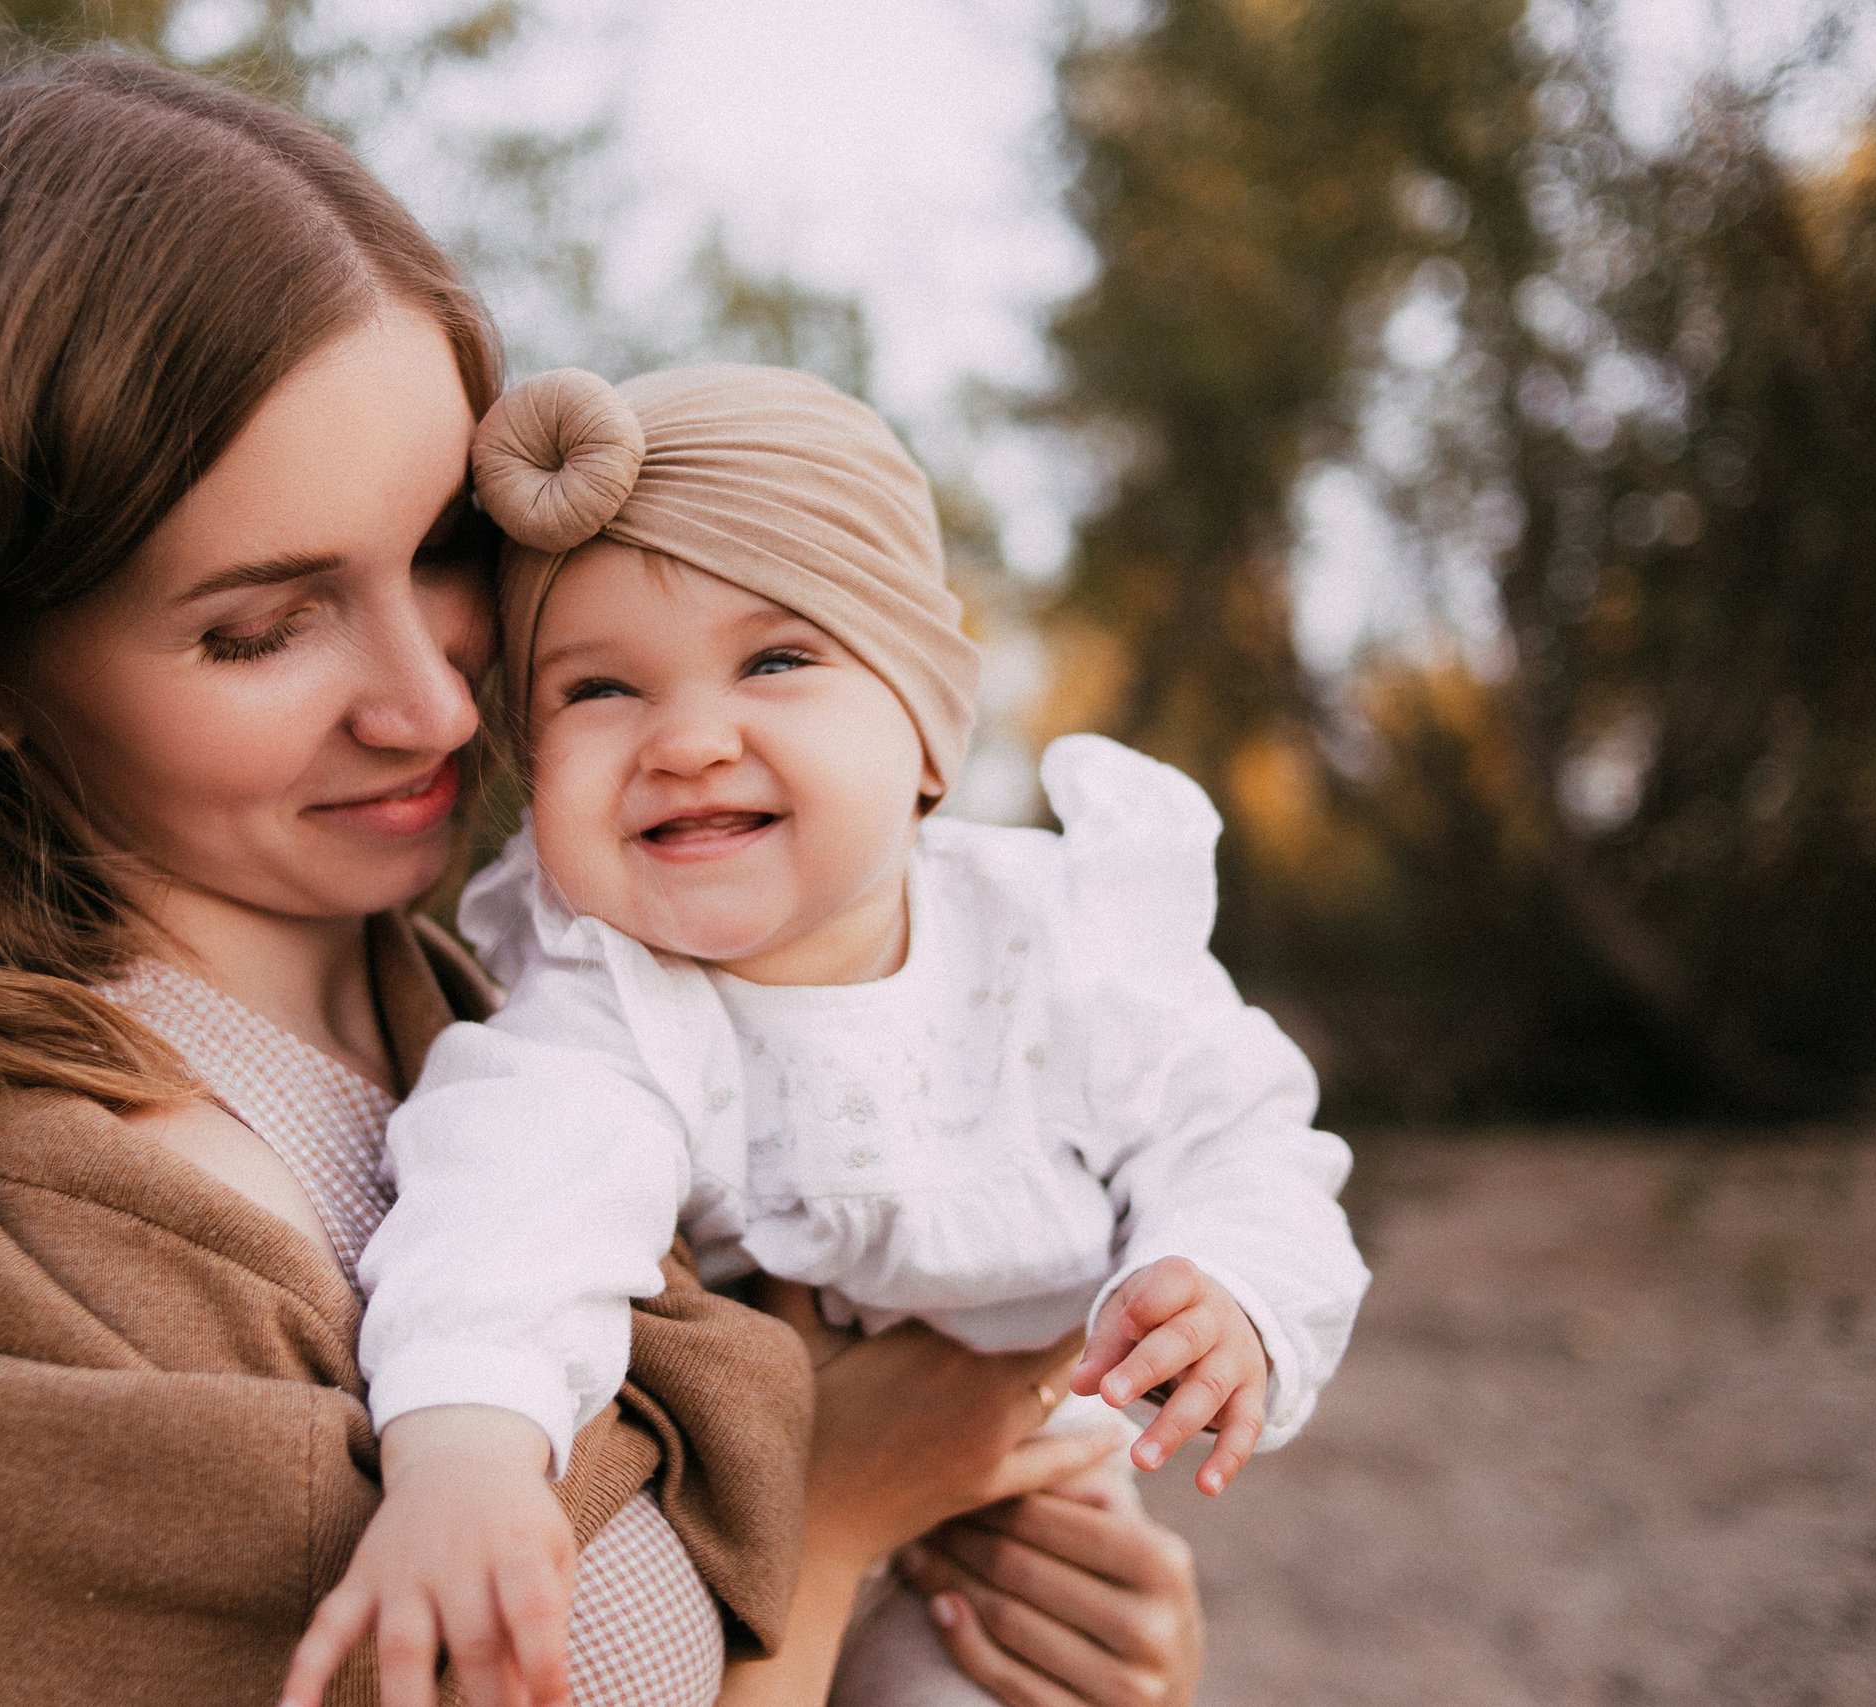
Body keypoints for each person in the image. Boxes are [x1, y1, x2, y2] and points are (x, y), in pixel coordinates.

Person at [0, 51, 1208, 1707]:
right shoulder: (55, 1231)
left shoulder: (537, 997)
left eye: (443, 549)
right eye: (260, 628)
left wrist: (1074, 1636)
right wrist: (842, 1519)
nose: (434, 707)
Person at [288, 366, 1372, 1707]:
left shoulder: (1061, 933)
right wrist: (464, 1458)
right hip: (742, 1536)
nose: (688, 741)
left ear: (925, 736)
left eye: (776, 661)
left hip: (1026, 1520)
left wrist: (1227, 1288)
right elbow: (504, 1228)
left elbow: (1237, 1132)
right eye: (599, 690)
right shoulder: (610, 1006)